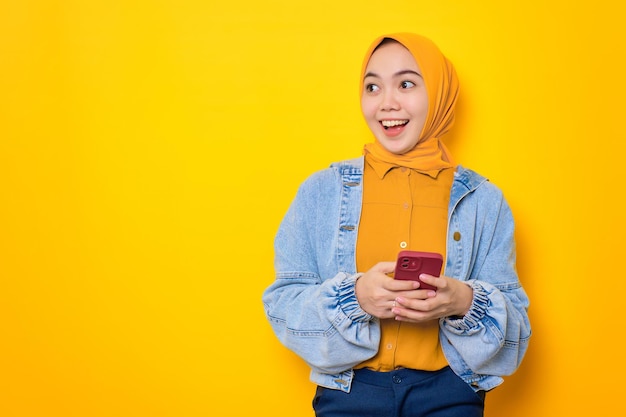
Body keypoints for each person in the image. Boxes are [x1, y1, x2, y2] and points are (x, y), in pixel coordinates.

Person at [262, 32, 530, 417]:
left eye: (406, 84)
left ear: (438, 93)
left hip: (449, 392)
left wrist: (462, 301)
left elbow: (516, 330)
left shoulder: (483, 201)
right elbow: (281, 304)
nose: (387, 103)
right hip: (349, 393)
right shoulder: (320, 192)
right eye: (373, 87)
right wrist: (355, 298)